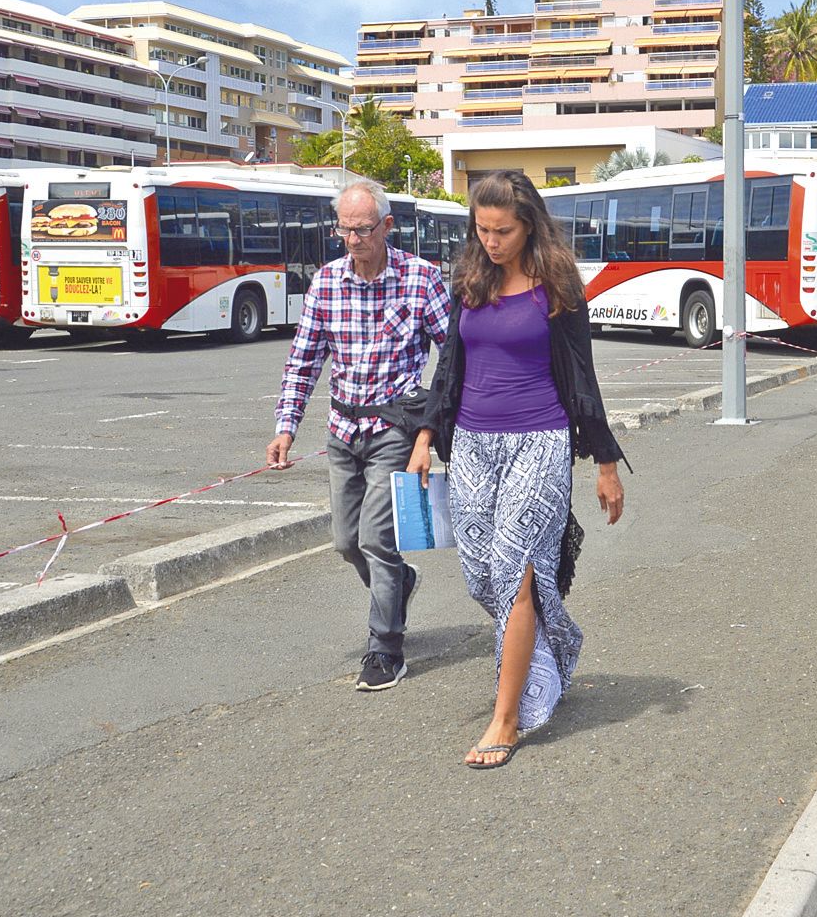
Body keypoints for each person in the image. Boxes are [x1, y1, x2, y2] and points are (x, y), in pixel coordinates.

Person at [411, 170, 626, 769]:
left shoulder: (557, 286)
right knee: (481, 574)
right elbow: (450, 364)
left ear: (529, 225)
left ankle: (507, 719)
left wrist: (605, 465)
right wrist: (426, 435)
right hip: (474, 444)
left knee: (515, 567)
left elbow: (583, 380)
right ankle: (554, 642)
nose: (490, 241)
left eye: (502, 230)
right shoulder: (470, 279)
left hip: (540, 441)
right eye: (481, 230)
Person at [267, 178, 450, 692]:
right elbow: (303, 361)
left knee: (376, 539)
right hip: (343, 429)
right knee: (346, 541)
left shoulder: (420, 279)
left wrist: (429, 430)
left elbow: (453, 353)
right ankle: (400, 584)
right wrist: (286, 427)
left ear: (387, 227)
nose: (352, 240)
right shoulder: (326, 283)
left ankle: (385, 648)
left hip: (394, 425)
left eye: (363, 230)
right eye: (344, 230)